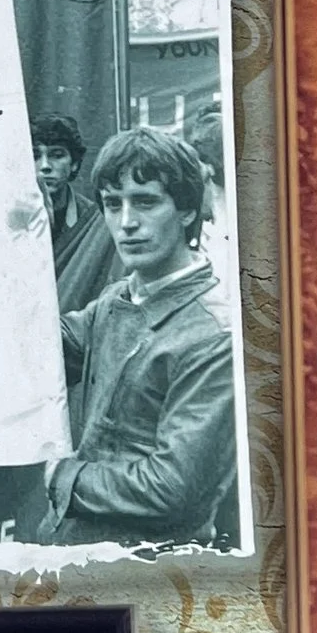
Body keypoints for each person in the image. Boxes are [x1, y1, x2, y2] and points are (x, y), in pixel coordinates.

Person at [44, 129, 238, 550]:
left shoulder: (213, 335)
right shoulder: (119, 296)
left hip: (150, 571)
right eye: (113, 204)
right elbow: (47, 350)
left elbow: (173, 489)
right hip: (81, 556)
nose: (127, 222)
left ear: (187, 210)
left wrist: (65, 477)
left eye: (146, 201)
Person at [32, 112, 114, 324]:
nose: (44, 166)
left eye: (56, 155)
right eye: (35, 155)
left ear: (75, 164)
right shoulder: (5, 220)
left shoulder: (95, 223)